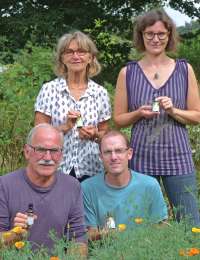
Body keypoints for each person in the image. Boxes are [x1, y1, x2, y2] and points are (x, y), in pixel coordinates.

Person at [113, 9, 200, 225]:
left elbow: (197, 115)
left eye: (161, 34)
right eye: (149, 33)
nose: (155, 39)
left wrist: (174, 111)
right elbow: (119, 119)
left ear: (169, 36)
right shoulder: (128, 72)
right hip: (141, 157)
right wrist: (138, 113)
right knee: (138, 222)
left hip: (178, 156)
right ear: (141, 36)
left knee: (189, 222)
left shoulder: (184, 69)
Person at [34, 31, 111, 182]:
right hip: (55, 167)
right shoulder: (49, 90)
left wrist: (95, 134)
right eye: (69, 52)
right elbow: (37, 135)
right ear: (62, 58)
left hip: (91, 169)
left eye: (81, 51)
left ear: (90, 57)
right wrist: (64, 127)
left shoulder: (100, 93)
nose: (75, 56)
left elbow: (105, 134)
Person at [0, 123, 87, 255]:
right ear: (27, 151)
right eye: (40, 150)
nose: (47, 158)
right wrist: (15, 234)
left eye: (54, 151)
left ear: (61, 154)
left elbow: (78, 238)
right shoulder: (4, 185)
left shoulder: (72, 186)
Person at [81, 130, 168, 240]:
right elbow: (88, 233)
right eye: (107, 152)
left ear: (129, 153)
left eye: (119, 151)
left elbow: (161, 227)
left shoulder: (150, 185)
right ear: (101, 156)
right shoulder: (87, 188)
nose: (113, 157)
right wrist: (102, 235)